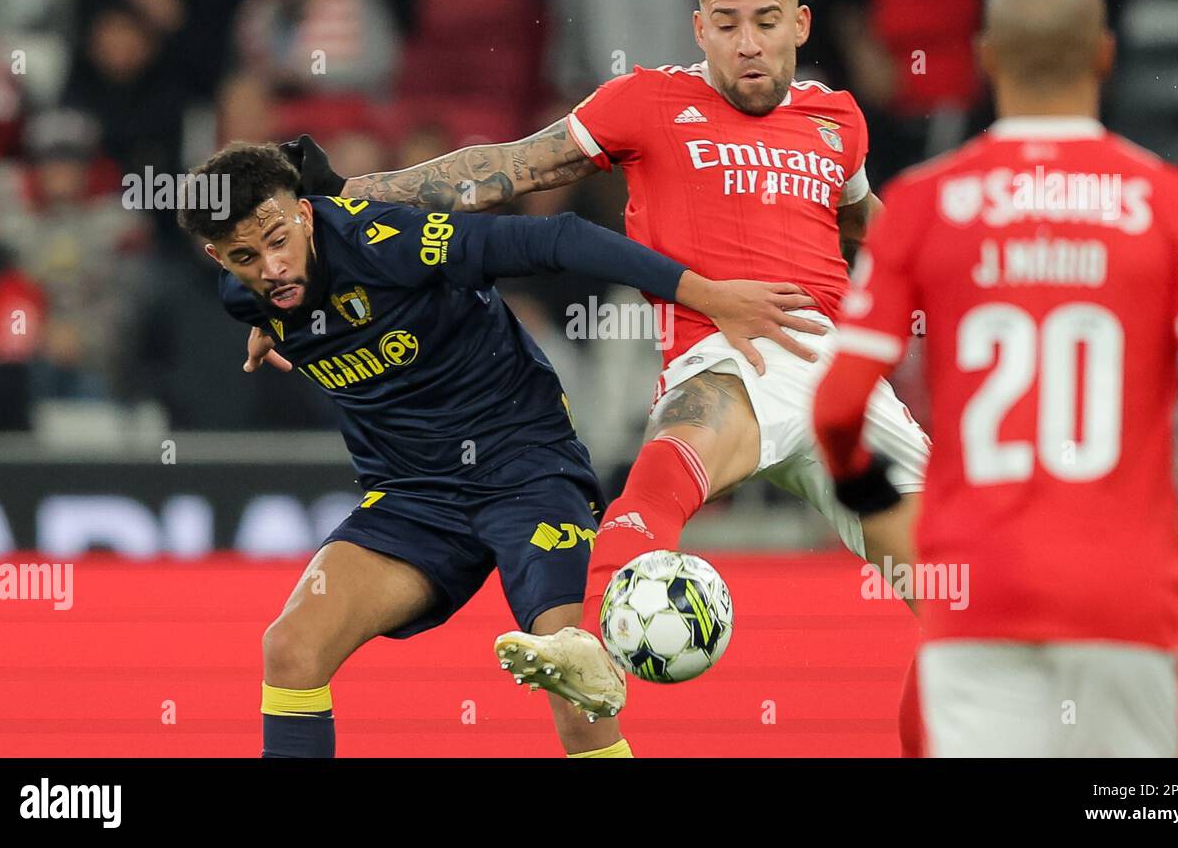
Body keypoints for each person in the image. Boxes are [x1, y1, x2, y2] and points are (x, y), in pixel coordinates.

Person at [271, 0, 932, 723]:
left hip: (843, 384)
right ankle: (585, 654)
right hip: (731, 356)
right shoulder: (648, 101)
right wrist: (351, 194)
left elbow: (864, 222)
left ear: (801, 23)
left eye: (765, 20)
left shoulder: (838, 120)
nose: (747, 44)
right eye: (727, 24)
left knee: (965, 613)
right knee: (651, 496)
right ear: (699, 29)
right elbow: (510, 168)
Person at [180, 141, 818, 757]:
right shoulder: (248, 297)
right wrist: (273, 326)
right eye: (244, 257)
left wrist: (707, 295)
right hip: (412, 501)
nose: (271, 268)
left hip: (527, 475)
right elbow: (284, 296)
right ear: (218, 257)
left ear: (306, 212)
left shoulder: (391, 242)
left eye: (279, 241)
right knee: (291, 648)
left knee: (579, 695)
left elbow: (557, 238)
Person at [812, 0, 1178, 756]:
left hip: (972, 596)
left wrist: (868, 490)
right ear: (1105, 53)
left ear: (986, 54)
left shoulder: (922, 204)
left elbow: (838, 405)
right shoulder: (1174, 205)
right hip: (1124, 603)